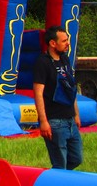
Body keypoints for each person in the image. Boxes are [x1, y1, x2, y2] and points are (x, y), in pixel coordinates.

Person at [33, 25, 83, 170]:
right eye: (64, 41)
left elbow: (70, 88)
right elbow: (38, 93)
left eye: (67, 40)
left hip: (70, 120)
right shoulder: (42, 62)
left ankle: (61, 179)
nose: (68, 44)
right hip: (54, 121)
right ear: (52, 43)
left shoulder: (65, 60)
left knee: (76, 158)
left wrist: (76, 114)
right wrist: (43, 121)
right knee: (60, 164)